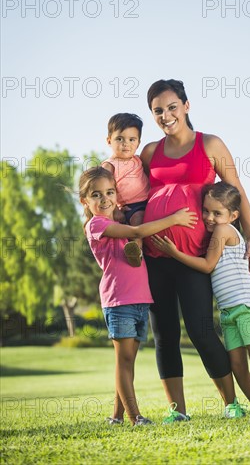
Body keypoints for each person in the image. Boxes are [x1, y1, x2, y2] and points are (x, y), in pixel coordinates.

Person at [140, 79, 250, 422]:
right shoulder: (149, 152)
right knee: (165, 334)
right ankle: (177, 411)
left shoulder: (210, 144)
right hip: (155, 257)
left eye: (172, 107)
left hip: (196, 258)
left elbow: (238, 192)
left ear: (186, 106)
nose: (166, 115)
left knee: (202, 330)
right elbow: (130, 188)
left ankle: (230, 404)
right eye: (158, 110)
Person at [79, 165, 197, 426]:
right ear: (84, 201)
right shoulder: (96, 225)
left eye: (110, 192)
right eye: (96, 195)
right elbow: (135, 232)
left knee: (129, 361)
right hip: (119, 300)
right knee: (123, 361)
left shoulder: (116, 220)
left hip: (140, 300)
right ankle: (135, 417)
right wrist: (174, 219)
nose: (105, 199)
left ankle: (117, 417)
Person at [152, 182, 250, 416]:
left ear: (233, 215)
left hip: (246, 305)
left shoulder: (223, 230)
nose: (209, 217)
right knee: (238, 366)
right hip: (229, 311)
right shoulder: (218, 229)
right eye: (206, 211)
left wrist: (174, 253)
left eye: (217, 213)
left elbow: (208, 265)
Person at [102, 113, 150, 267]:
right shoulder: (109, 165)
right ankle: (136, 252)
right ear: (109, 141)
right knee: (137, 221)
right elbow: (106, 191)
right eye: (120, 139)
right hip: (132, 206)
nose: (126, 144)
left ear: (138, 143)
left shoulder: (138, 159)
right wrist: (115, 210)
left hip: (149, 200)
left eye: (131, 140)